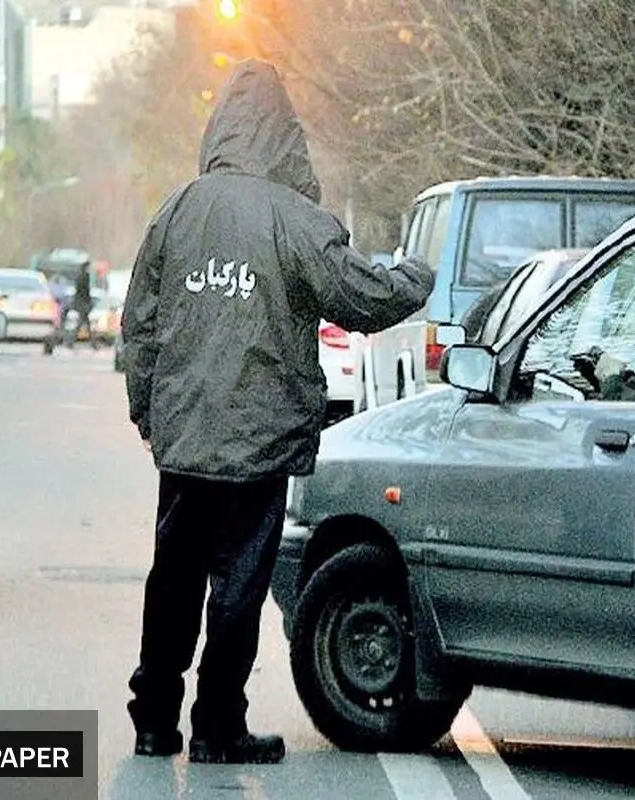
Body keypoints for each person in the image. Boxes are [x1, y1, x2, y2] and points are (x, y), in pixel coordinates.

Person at [120, 58, 434, 766]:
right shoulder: (294, 219)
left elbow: (139, 323)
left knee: (173, 577)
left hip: (185, 435)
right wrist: (419, 274)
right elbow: (360, 297)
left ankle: (154, 721)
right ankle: (217, 726)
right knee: (237, 586)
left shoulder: (177, 211)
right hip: (258, 439)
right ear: (284, 136)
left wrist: (150, 413)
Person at [67, 261, 96, 349]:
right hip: (83, 303)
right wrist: (89, 302)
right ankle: (71, 341)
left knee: (85, 323)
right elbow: (85, 291)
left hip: (80, 302)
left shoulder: (79, 276)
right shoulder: (85, 277)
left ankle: (92, 343)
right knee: (81, 323)